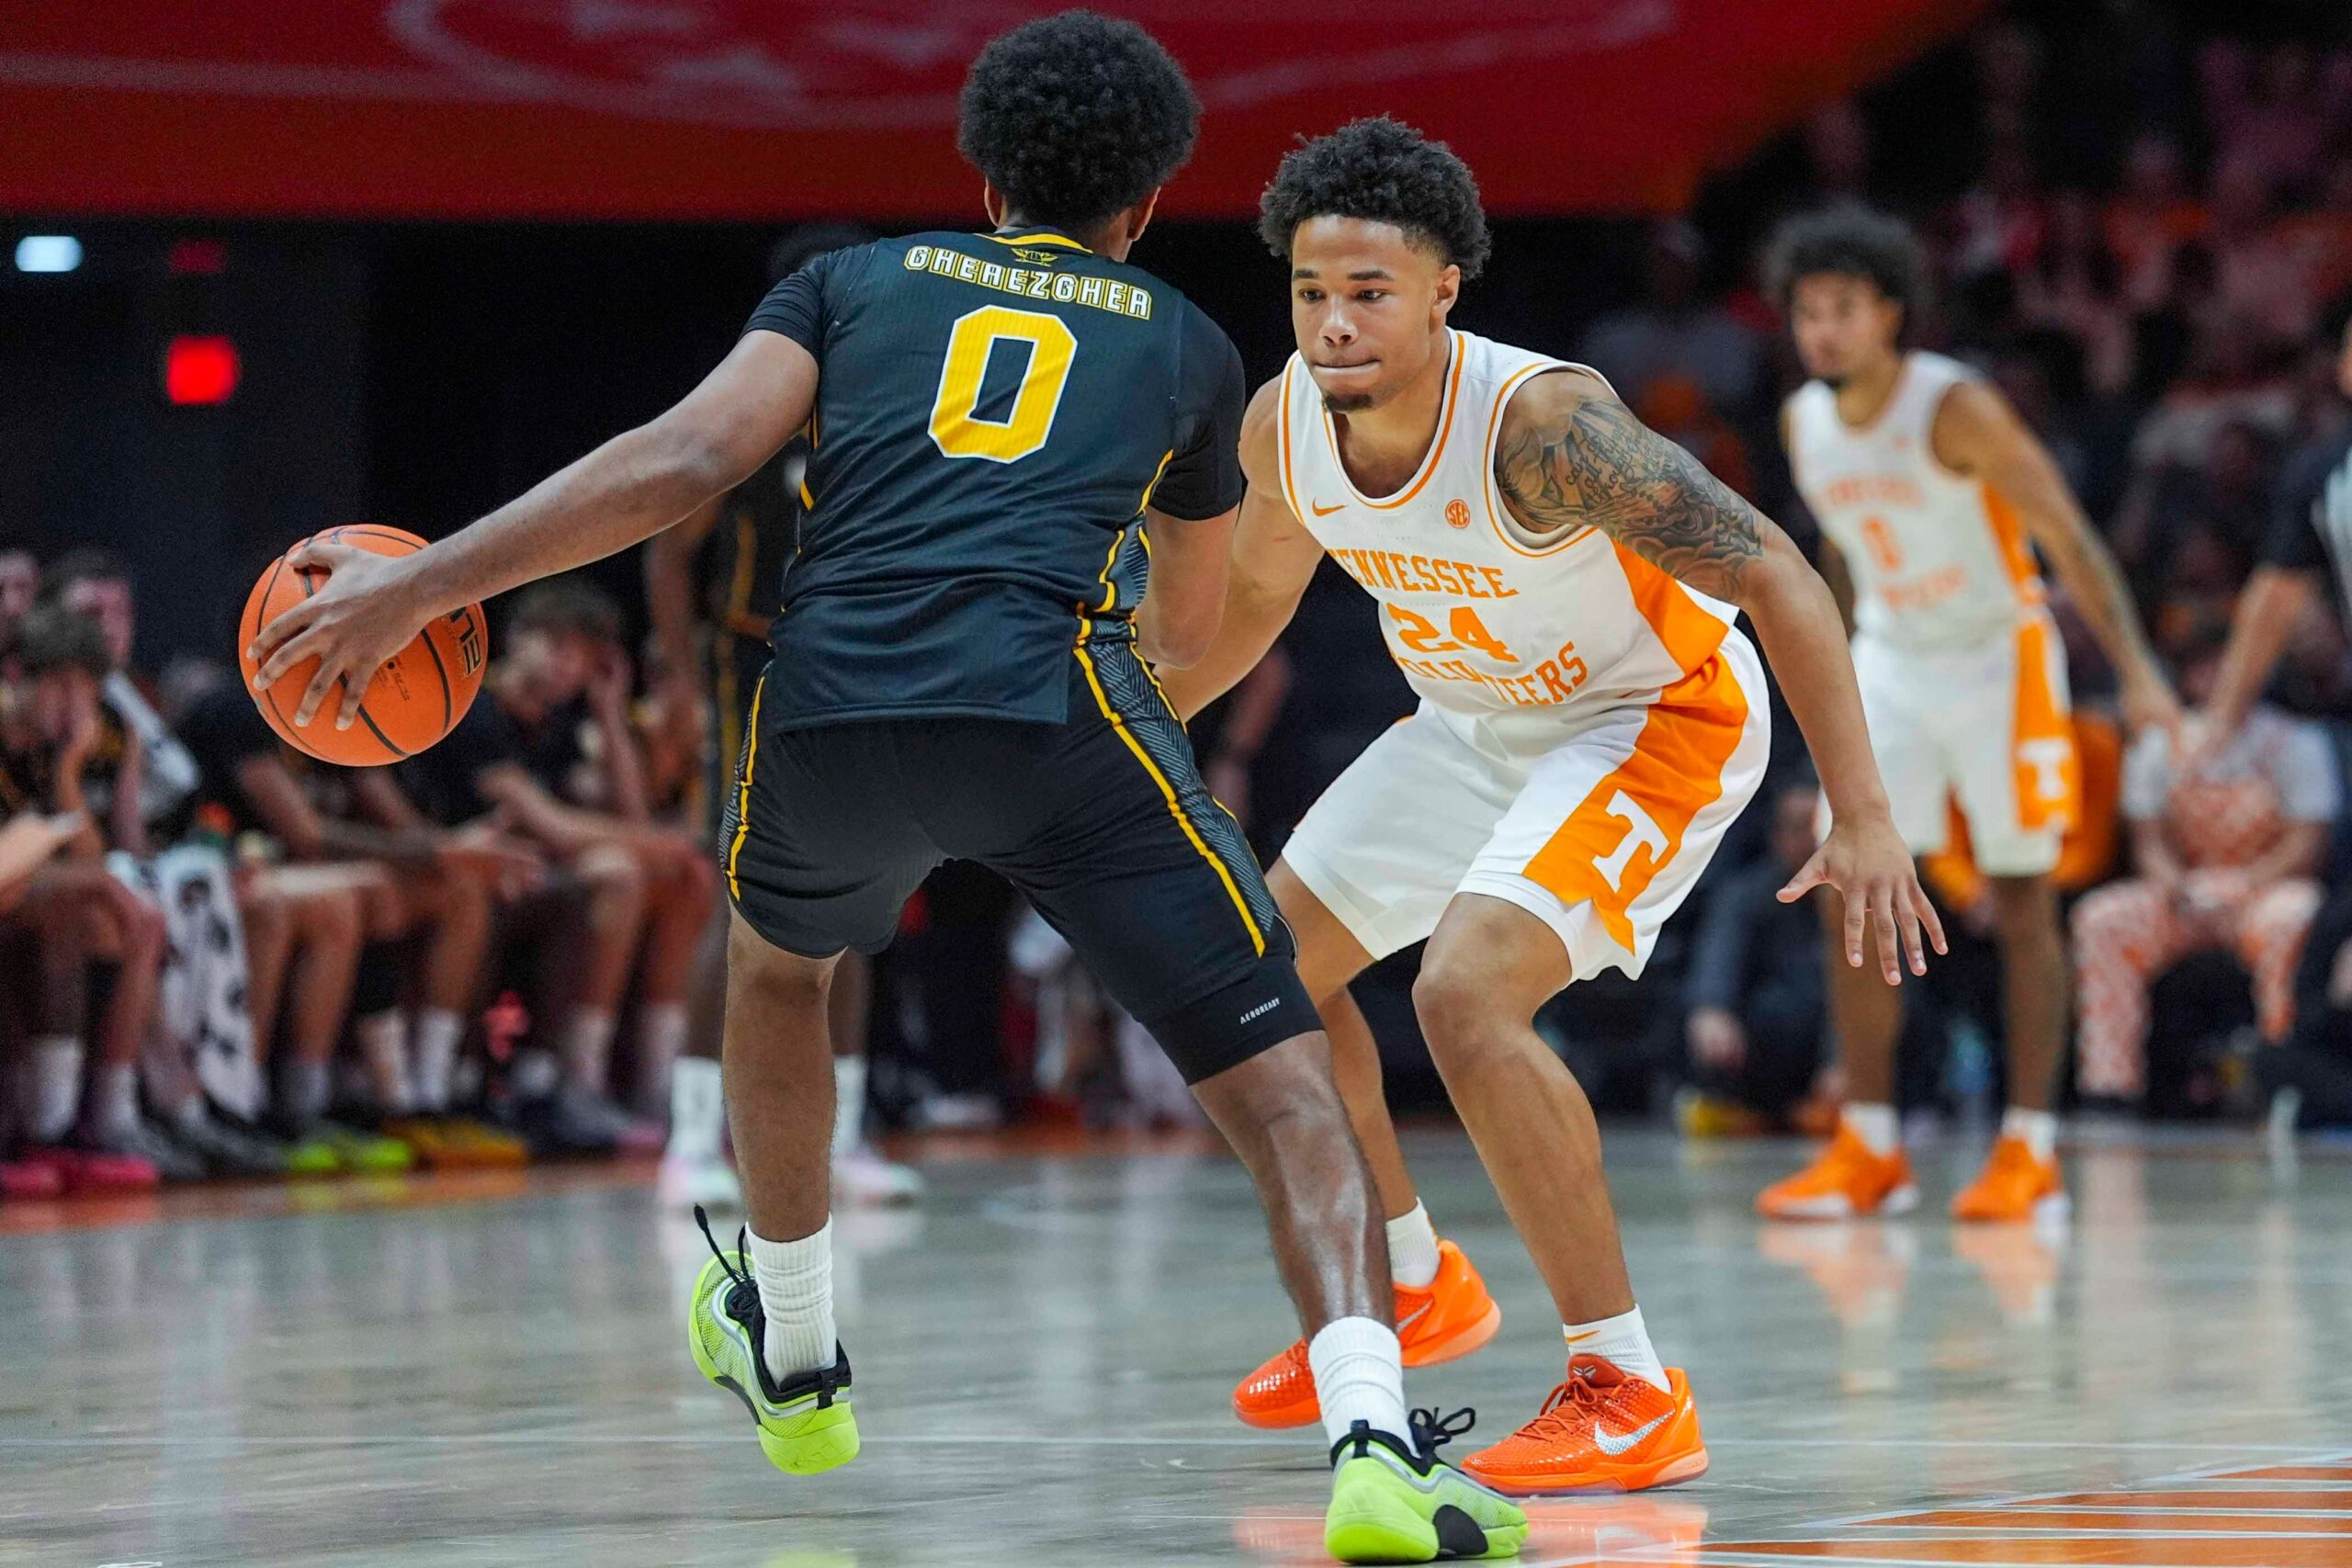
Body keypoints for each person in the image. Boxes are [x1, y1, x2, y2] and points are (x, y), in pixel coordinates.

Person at [246, 16, 1523, 1562]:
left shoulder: (849, 286)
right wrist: (1099, 785)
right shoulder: (1185, 340)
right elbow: (1190, 633)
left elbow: (681, 458)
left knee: (784, 975)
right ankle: (1377, 1444)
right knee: (1282, 1087)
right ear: (1143, 203)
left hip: (833, 708)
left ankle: (792, 1348)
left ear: (983, 177)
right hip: (1061, 711)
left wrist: (425, 583)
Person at [1156, 118, 1939, 1496]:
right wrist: (1120, 728)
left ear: (1446, 286)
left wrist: (1863, 809)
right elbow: (1263, 597)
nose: (1335, 323)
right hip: (1474, 725)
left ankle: (1628, 1382)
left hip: (1654, 718)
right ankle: (1409, 1278)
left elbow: (1777, 573)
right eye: (1311, 293)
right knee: (1262, 971)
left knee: (1466, 994)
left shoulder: (1545, 426)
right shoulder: (1285, 422)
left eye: (1370, 293)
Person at [1758, 203, 2179, 1224]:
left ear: (1890, 312)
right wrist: (1831, 688)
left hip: (2000, 660)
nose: (1822, 331)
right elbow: (1839, 562)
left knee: (2022, 896)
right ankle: (1868, 1145)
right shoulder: (1802, 422)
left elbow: (2068, 538)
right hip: (1892, 660)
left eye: (1842, 309)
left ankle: (2029, 1150)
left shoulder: (1955, 407)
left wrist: (2137, 671)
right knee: (1844, 882)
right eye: (1808, 312)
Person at [643, 243, 923, 1206]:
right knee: (742, 898)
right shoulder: (753, 403)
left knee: (860, 904)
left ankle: (843, 1140)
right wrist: (679, 679)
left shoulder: (904, 405)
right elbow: (667, 551)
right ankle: (688, 1142)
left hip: (862, 673)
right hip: (754, 668)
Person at [391, 577, 708, 1155]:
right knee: (620, 870)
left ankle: (635, 1085)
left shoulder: (559, 725)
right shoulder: (473, 709)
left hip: (519, 886)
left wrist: (611, 715)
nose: (571, 665)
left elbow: (627, 816)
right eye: (559, 645)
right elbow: (554, 827)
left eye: (586, 656)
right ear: (515, 639)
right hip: (445, 880)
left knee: (659, 880)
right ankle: (440, 1092)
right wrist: (678, 843)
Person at [2071, 634, 2335, 1106]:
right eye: (2204, 667)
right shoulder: (2159, 746)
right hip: (2184, 895)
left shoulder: (2295, 741)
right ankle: (2109, 1087)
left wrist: (2245, 885)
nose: (2216, 680)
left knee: (2294, 916)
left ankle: (2284, 1072)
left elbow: (2306, 842)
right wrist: (2180, 887)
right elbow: (2148, 840)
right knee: (2102, 919)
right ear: (2188, 676)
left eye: (2228, 668)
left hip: (2263, 889)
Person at [1679, 783, 1832, 1133]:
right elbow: (1719, 956)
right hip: (1766, 1042)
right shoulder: (1745, 894)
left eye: (1817, 829)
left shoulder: (1852, 898)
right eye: (1797, 828)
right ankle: (1750, 1110)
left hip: (1830, 1045)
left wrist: (1843, 1060)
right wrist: (1711, 1008)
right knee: (1714, 1020)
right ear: (1777, 835)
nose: (1808, 841)